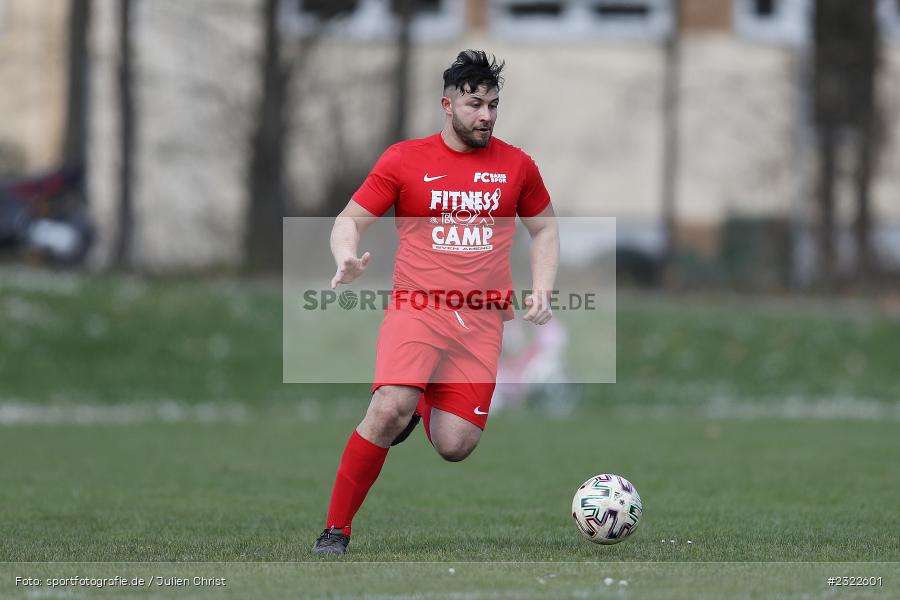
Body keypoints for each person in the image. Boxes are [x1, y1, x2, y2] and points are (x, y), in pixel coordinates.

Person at [313, 50, 559, 554]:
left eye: (493, 105)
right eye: (474, 105)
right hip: (417, 308)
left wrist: (542, 288)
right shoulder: (404, 160)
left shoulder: (517, 166)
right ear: (447, 106)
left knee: (455, 444)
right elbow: (349, 220)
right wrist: (345, 256)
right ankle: (336, 530)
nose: (486, 116)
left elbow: (545, 229)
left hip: (482, 319)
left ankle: (419, 398)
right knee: (388, 409)